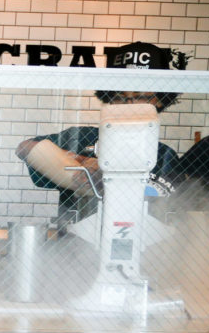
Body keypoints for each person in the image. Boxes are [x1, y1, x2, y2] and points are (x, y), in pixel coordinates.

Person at [16, 41, 185, 227]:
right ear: (109, 99)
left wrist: (105, 174)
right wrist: (81, 162)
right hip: (75, 244)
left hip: (145, 245)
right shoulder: (84, 137)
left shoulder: (164, 156)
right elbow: (26, 147)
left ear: (160, 101)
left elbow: (171, 210)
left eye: (141, 97)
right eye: (120, 97)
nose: (130, 105)